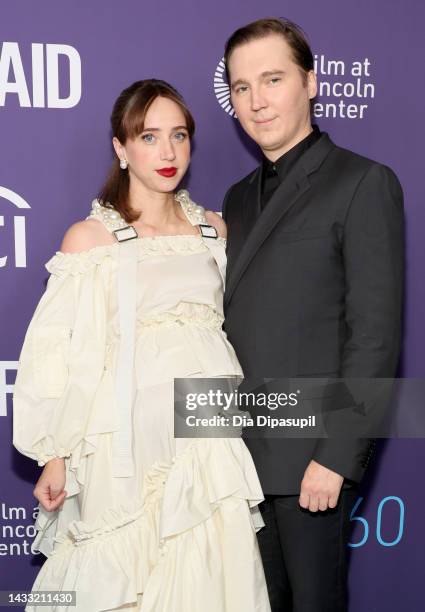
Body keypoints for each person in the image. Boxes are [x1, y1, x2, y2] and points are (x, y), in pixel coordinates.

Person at [13, 79, 272, 612]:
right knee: (122, 579)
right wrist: (56, 454)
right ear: (120, 147)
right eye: (149, 136)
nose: (168, 151)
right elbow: (59, 355)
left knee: (208, 567)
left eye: (179, 135)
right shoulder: (91, 239)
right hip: (125, 440)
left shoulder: (217, 231)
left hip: (208, 425)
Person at [221, 18, 404, 612]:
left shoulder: (362, 182)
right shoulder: (235, 197)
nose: (257, 100)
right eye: (242, 87)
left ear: (312, 82)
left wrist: (335, 455)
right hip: (235, 458)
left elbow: (375, 337)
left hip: (309, 462)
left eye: (272, 79)